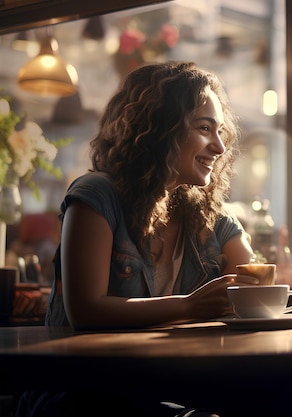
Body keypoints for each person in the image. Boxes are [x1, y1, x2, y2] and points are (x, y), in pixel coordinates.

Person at [17, 62, 259, 416]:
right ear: (161, 128)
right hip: (80, 395)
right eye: (204, 128)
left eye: (220, 131)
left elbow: (257, 287)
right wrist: (190, 305)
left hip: (165, 390)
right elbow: (86, 310)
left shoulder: (211, 218)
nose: (219, 147)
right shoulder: (97, 195)